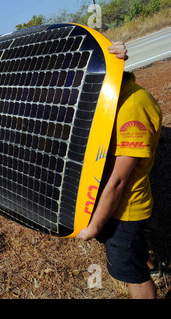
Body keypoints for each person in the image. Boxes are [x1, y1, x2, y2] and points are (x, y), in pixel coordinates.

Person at [77, 42, 162, 299]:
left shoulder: (133, 106)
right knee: (132, 251)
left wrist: (94, 227)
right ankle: (148, 263)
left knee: (127, 270)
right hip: (109, 202)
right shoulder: (110, 100)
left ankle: (142, 275)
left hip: (125, 209)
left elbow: (118, 180)